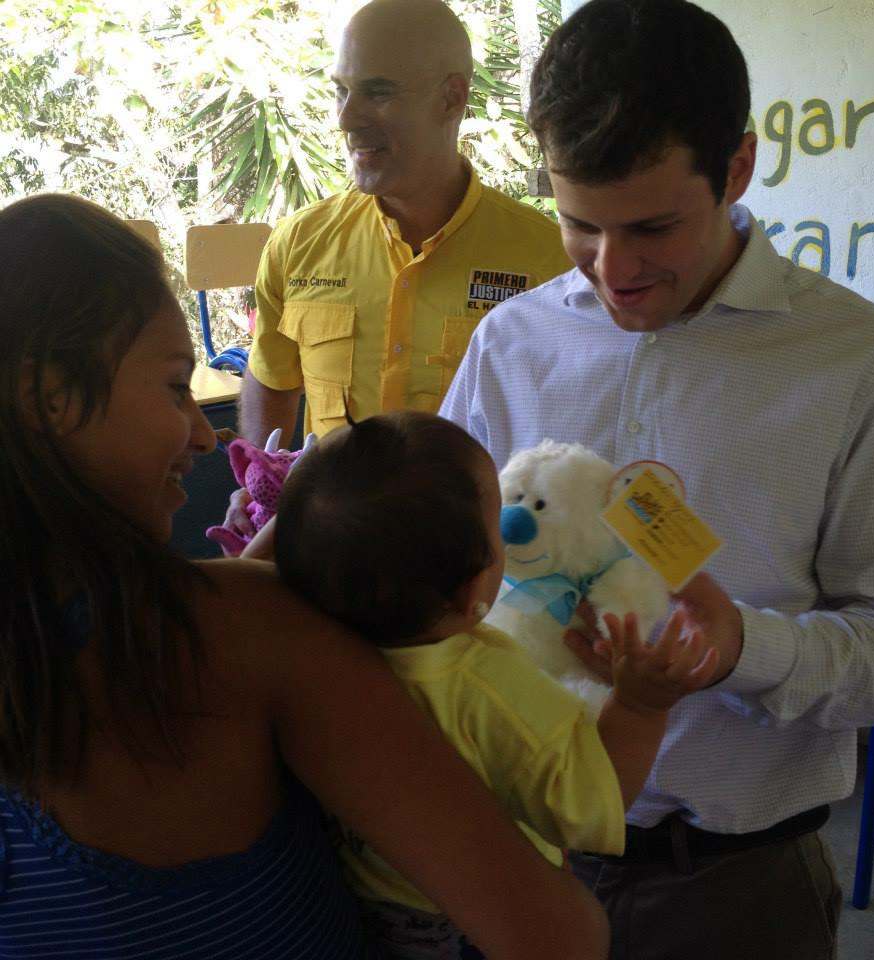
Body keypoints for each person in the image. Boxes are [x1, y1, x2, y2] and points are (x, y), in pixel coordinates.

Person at [439, 1, 874, 957]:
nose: (613, 269)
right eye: (578, 224)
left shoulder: (863, 363)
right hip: (510, 858)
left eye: (652, 227)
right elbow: (441, 567)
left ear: (737, 170)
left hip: (732, 889)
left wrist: (740, 652)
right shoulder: (509, 344)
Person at [0, 193, 613, 960]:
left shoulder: (233, 616)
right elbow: (557, 935)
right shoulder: (244, 634)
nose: (200, 430)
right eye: (172, 385)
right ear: (48, 397)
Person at [272, 410, 718, 959]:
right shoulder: (489, 681)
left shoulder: (308, 657)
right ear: (470, 592)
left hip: (351, 898)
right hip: (466, 923)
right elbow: (582, 808)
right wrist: (641, 708)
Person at [236, 0, 570, 449]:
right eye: (341, 90)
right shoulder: (298, 244)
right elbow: (272, 377)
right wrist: (259, 483)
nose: (346, 119)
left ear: (452, 98)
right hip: (328, 520)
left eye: (377, 91)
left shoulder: (551, 260)